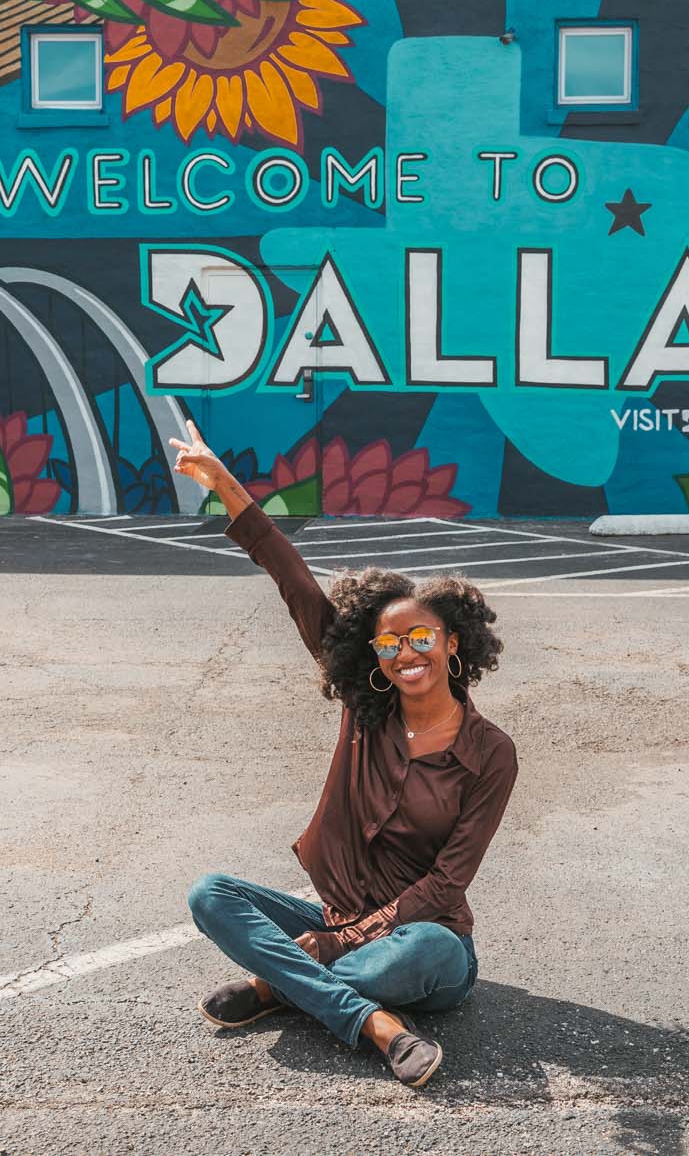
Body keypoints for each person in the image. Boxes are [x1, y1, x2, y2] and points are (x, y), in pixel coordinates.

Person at [171, 421, 519, 1089]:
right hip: (336, 920)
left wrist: (337, 943)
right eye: (389, 645)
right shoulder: (366, 705)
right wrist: (226, 486)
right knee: (210, 894)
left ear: (452, 643)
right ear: (376, 660)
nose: (405, 652)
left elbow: (446, 885)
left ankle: (278, 985)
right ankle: (374, 1025)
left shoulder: (491, 754)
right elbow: (294, 578)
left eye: (421, 636)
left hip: (425, 941)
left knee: (417, 953)